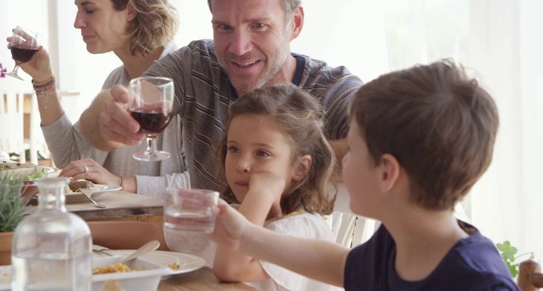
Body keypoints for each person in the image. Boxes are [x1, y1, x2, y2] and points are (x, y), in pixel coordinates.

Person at [206, 60, 519, 290]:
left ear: (387, 174)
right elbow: (336, 264)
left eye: (352, 149)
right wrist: (246, 236)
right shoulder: (394, 244)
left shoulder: (476, 281)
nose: (339, 159)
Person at [78, 0, 363, 194]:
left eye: (258, 26)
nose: (238, 48)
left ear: (295, 23)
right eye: (224, 27)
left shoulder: (331, 90)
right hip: (201, 250)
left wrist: (276, 159)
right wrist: (109, 115)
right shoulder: (196, 64)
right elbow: (138, 96)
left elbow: (383, 148)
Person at [90, 84, 341, 290]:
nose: (242, 164)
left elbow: (230, 267)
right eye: (234, 149)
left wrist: (261, 193)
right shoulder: (238, 213)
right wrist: (81, 230)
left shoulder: (302, 229)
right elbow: (158, 236)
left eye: (262, 153)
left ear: (300, 168)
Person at [12, 0, 187, 197]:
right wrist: (43, 79)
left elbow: (203, 183)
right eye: (78, 9)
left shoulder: (185, 82)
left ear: (130, 9)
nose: (77, 22)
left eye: (89, 10)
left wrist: (120, 182)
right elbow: (69, 156)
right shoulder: (117, 80)